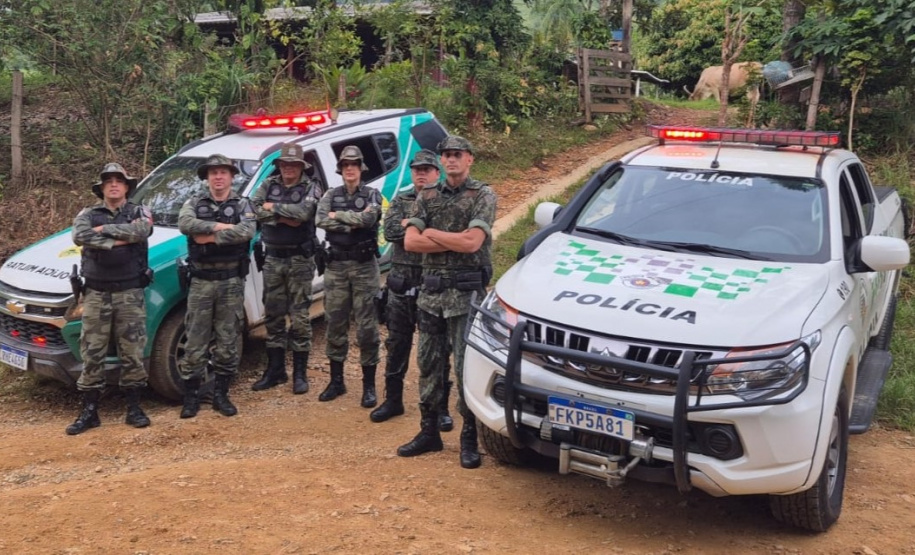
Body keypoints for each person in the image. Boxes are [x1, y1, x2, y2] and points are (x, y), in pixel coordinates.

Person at [396, 136, 496, 469]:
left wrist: (433, 234)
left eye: (457, 154)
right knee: (428, 365)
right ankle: (429, 431)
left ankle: (469, 438)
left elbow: (472, 244)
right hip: (431, 295)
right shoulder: (427, 196)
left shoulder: (482, 195)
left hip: (465, 298)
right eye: (446, 155)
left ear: (469, 159)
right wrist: (450, 239)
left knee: (465, 368)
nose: (450, 160)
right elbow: (410, 242)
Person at [66, 163, 154, 435]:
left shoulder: (139, 212)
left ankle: (134, 407)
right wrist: (118, 238)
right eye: (109, 181)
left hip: (129, 292)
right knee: (92, 351)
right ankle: (90, 411)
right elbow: (80, 236)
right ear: (102, 187)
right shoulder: (88, 214)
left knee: (132, 351)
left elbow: (142, 231)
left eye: (119, 180)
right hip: (96, 293)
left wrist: (104, 232)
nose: (114, 184)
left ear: (127, 186)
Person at [370, 149, 454, 431]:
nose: (421, 173)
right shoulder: (401, 199)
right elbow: (392, 231)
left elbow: (450, 234)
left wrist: (414, 227)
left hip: (434, 285)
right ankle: (393, 400)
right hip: (401, 285)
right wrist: (424, 230)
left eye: (427, 169)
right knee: (397, 345)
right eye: (417, 169)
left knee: (438, 350)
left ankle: (440, 408)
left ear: (436, 173)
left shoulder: (445, 201)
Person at [177, 154, 256, 418]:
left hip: (230, 281)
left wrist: (207, 236)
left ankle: (221, 394)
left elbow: (246, 232)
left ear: (231, 176)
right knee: (194, 340)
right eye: (213, 173)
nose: (218, 177)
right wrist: (221, 227)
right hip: (201, 281)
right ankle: (191, 398)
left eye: (223, 172)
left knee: (228, 339)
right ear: (207, 177)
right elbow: (185, 225)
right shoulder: (194, 202)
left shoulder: (243, 204)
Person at [250, 143, 320, 395]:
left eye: (293, 164)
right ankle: (276, 370)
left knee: (300, 315)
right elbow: (252, 209)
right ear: (279, 165)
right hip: (273, 258)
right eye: (284, 164)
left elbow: (303, 214)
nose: (288, 168)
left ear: (301, 166)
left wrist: (272, 209)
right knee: (273, 313)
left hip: (300, 258)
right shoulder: (269, 185)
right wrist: (283, 217)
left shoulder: (311, 187)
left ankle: (300, 373)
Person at [315, 146, 382, 408]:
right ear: (340, 169)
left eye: (354, 164)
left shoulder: (372, 194)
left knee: (367, 327)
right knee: (335, 323)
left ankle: (369, 386)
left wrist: (338, 216)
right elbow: (320, 219)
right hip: (337, 267)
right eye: (345, 165)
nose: (350, 169)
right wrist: (350, 220)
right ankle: (336, 381)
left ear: (360, 167)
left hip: (365, 266)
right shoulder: (331, 194)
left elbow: (368, 220)